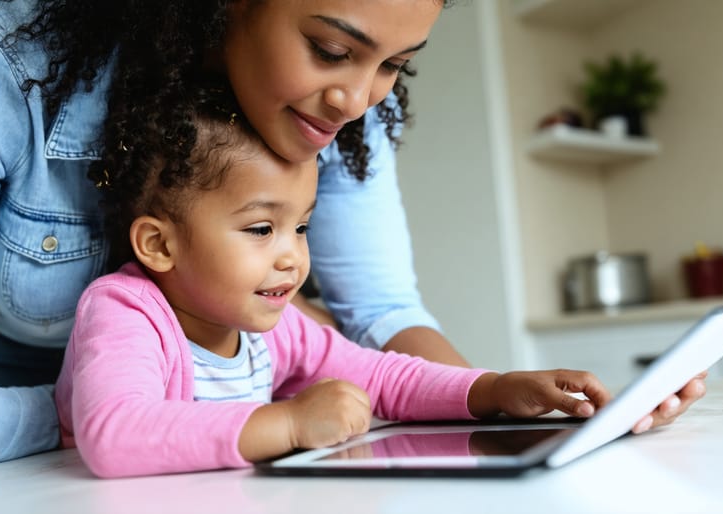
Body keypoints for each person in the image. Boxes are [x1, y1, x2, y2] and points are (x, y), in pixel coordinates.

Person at [0, 0, 704, 471]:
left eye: (394, 66)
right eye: (334, 50)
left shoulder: (283, 326)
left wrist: (509, 407)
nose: (355, 99)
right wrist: (123, 408)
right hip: (5, 459)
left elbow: (382, 334)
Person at [55, 76, 615, 478]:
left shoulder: (275, 324)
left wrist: (494, 389)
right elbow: (115, 437)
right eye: (259, 229)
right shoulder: (125, 311)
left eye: (300, 228)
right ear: (160, 244)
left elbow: (385, 379)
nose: (292, 258)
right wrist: (291, 425)